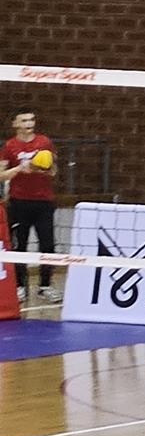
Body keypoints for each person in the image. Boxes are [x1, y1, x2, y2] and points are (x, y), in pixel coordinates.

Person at [2, 110, 59, 303]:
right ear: (15, 124)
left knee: (48, 245)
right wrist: (20, 168)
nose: (29, 123)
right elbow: (1, 175)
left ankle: (45, 286)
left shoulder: (44, 142)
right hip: (19, 202)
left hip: (44, 202)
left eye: (32, 119)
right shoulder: (10, 146)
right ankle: (20, 287)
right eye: (24, 120)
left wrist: (40, 168)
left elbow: (53, 171)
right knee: (19, 246)